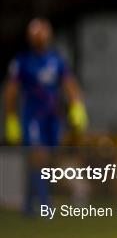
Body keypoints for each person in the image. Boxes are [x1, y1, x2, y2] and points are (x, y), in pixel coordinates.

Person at [4, 17, 88, 214]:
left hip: (52, 116)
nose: (40, 38)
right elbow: (10, 92)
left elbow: (69, 85)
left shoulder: (56, 60)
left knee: (46, 160)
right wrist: (11, 119)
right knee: (38, 156)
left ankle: (28, 205)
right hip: (32, 115)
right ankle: (44, 205)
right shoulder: (22, 61)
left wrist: (77, 108)